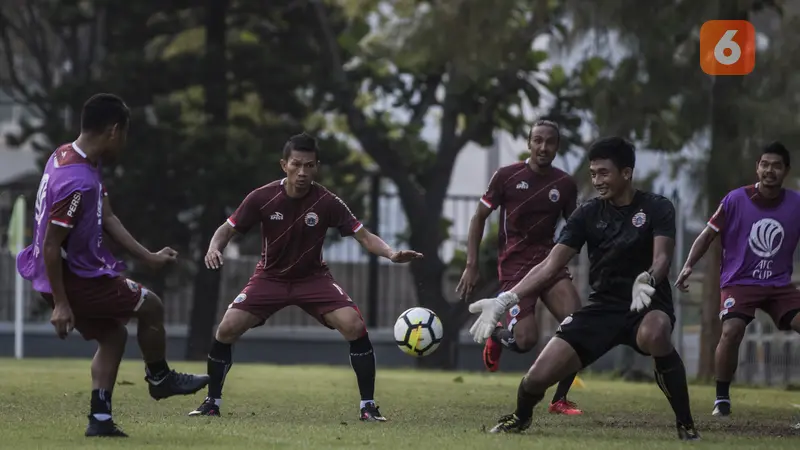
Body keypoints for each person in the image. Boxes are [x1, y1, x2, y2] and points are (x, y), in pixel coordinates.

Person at [466, 137, 699, 440]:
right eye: (593, 174)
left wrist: (649, 280)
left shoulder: (657, 207)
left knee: (655, 333)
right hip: (602, 307)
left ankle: (685, 423)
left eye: (604, 173)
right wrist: (506, 299)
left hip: (646, 304)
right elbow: (550, 266)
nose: (597, 181)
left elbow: (663, 259)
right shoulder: (588, 214)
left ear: (626, 173)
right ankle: (520, 418)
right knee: (535, 379)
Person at [188, 132, 423, 420]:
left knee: (354, 326)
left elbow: (363, 236)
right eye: (296, 164)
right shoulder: (261, 197)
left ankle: (368, 407)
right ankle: (212, 403)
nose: (302, 172)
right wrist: (214, 247)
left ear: (317, 167)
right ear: (283, 164)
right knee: (226, 329)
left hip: (313, 279)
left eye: (309, 166)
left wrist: (391, 254)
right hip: (270, 278)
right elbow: (227, 229)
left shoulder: (327, 202)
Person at [15, 93, 210, 438]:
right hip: (72, 279)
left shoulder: (70, 156)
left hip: (56, 275)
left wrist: (147, 256)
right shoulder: (77, 182)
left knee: (113, 335)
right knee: (151, 305)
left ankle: (100, 419)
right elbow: (51, 243)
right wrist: (61, 303)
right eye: (125, 133)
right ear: (114, 130)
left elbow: (108, 216)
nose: (125, 142)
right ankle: (161, 378)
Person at [456, 120, 583, 415]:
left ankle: (559, 400)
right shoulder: (506, 176)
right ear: (528, 143)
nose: (543, 147)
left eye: (549, 142)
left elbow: (574, 229)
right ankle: (496, 336)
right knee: (525, 341)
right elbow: (478, 219)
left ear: (557, 147)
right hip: (515, 266)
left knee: (578, 326)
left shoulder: (564, 184)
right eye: (537, 140)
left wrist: (566, 260)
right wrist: (471, 264)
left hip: (549, 263)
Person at [675, 142, 800, 419]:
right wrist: (687, 266)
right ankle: (722, 399)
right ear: (757, 167)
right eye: (764, 164)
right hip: (739, 281)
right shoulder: (735, 199)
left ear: (786, 171)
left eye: (776, 166)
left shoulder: (796, 203)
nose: (769, 170)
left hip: (779, 285)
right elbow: (707, 235)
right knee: (731, 332)